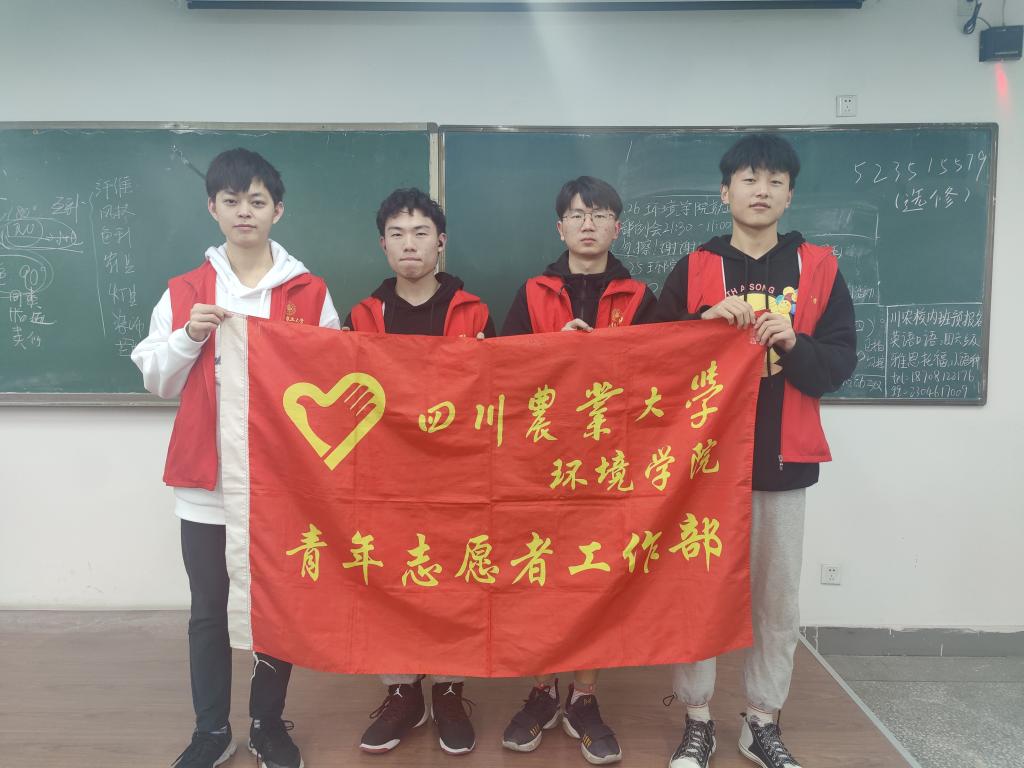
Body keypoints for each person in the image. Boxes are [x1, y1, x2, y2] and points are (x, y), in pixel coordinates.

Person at [132, 147, 340, 768]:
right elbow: (156, 380)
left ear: (278, 210)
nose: (244, 211)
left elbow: (332, 374)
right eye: (232, 201)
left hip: (280, 481)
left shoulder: (309, 292)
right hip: (206, 481)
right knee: (208, 611)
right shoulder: (184, 291)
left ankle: (268, 725)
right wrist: (188, 336)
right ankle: (211, 731)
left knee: (278, 604)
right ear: (213, 209)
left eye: (257, 201)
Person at [655, 133, 856, 768]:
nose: (761, 190)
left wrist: (794, 342)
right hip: (702, 466)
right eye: (748, 179)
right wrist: (699, 326)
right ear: (725, 192)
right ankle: (697, 719)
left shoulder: (819, 267)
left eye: (774, 180)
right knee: (696, 591)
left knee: (775, 602)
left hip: (782, 460)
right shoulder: (695, 268)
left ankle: (761, 721)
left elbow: (840, 364)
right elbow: (651, 358)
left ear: (790, 194)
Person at [500, 175, 657, 766]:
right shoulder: (532, 292)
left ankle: (584, 699)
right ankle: (543, 690)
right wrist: (552, 350)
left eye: (599, 214)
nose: (587, 224)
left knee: (596, 579)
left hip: (612, 466)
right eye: (576, 214)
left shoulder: (641, 297)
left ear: (617, 226)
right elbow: (502, 372)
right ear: (559, 226)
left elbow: (667, 371)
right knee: (540, 576)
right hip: (541, 465)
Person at [346, 187, 493, 756]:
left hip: (458, 474)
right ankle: (402, 692)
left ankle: (451, 690)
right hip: (385, 476)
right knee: (388, 577)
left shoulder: (474, 311)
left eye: (421, 233)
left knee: (455, 578)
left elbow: (499, 390)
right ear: (382, 245)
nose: (410, 244)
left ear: (441, 243)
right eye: (398, 234)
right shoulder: (363, 315)